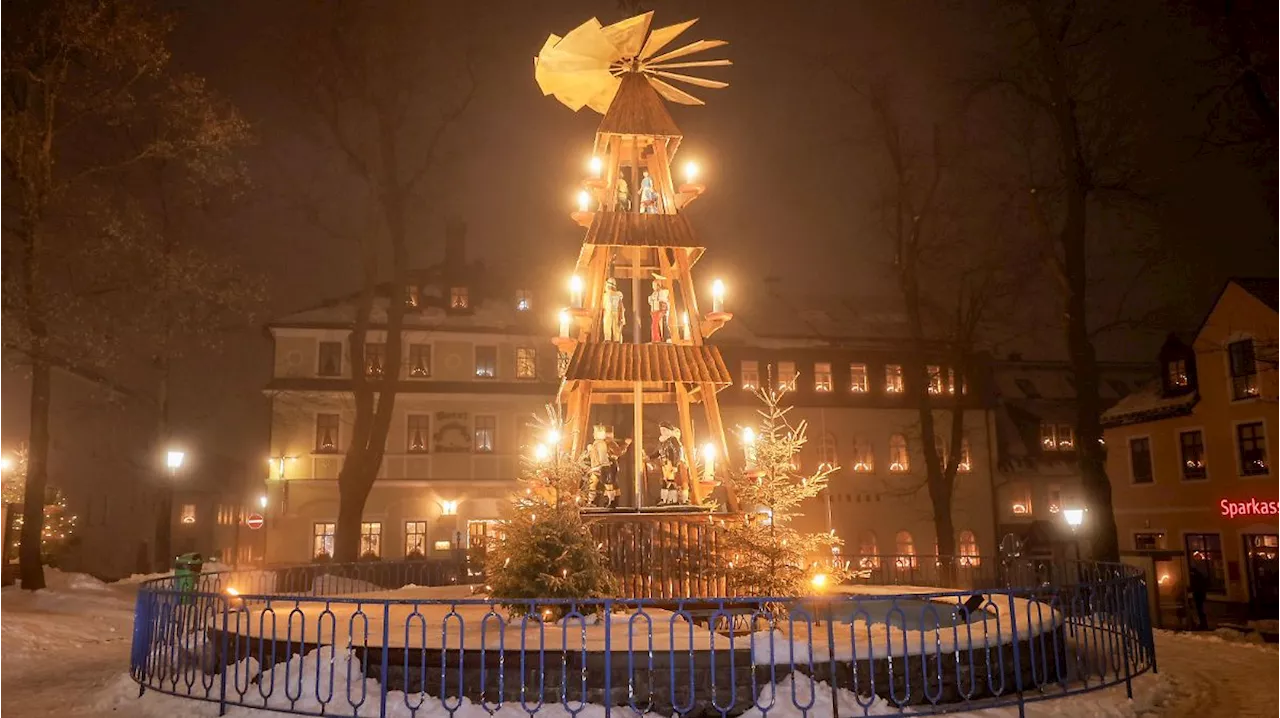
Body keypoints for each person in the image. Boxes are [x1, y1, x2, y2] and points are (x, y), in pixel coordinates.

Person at [602, 277, 625, 342]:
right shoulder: (618, 294)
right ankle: (617, 340)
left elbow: (603, 305)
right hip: (615, 312)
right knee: (616, 326)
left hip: (608, 312)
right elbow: (621, 305)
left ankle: (607, 339)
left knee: (607, 324)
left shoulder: (605, 295)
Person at [648, 275, 670, 343]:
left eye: (654, 285)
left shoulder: (662, 292)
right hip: (654, 311)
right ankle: (656, 338)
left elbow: (663, 301)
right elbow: (650, 301)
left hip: (660, 311)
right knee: (654, 325)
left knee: (660, 324)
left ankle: (663, 337)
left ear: (658, 285)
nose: (653, 286)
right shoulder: (654, 293)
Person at [1189, 564, 1210, 630]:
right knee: (1200, 610)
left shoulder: (1195, 576)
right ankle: (1203, 624)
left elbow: (1196, 586)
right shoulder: (1199, 575)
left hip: (1198, 595)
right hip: (1200, 595)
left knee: (1200, 610)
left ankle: (1203, 624)